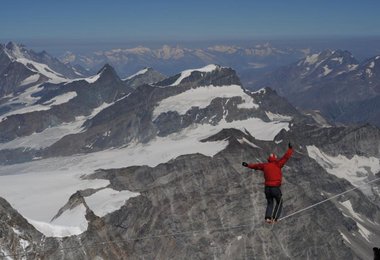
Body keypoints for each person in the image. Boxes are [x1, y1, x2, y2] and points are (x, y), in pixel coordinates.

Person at [242, 143, 293, 224]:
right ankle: (275, 218)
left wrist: (247, 165)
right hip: (275, 188)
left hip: (267, 189)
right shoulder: (278, 164)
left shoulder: (265, 165)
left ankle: (267, 218)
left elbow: (256, 166)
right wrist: (290, 149)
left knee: (270, 202)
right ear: (275, 159)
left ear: (269, 159)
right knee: (279, 202)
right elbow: (285, 157)